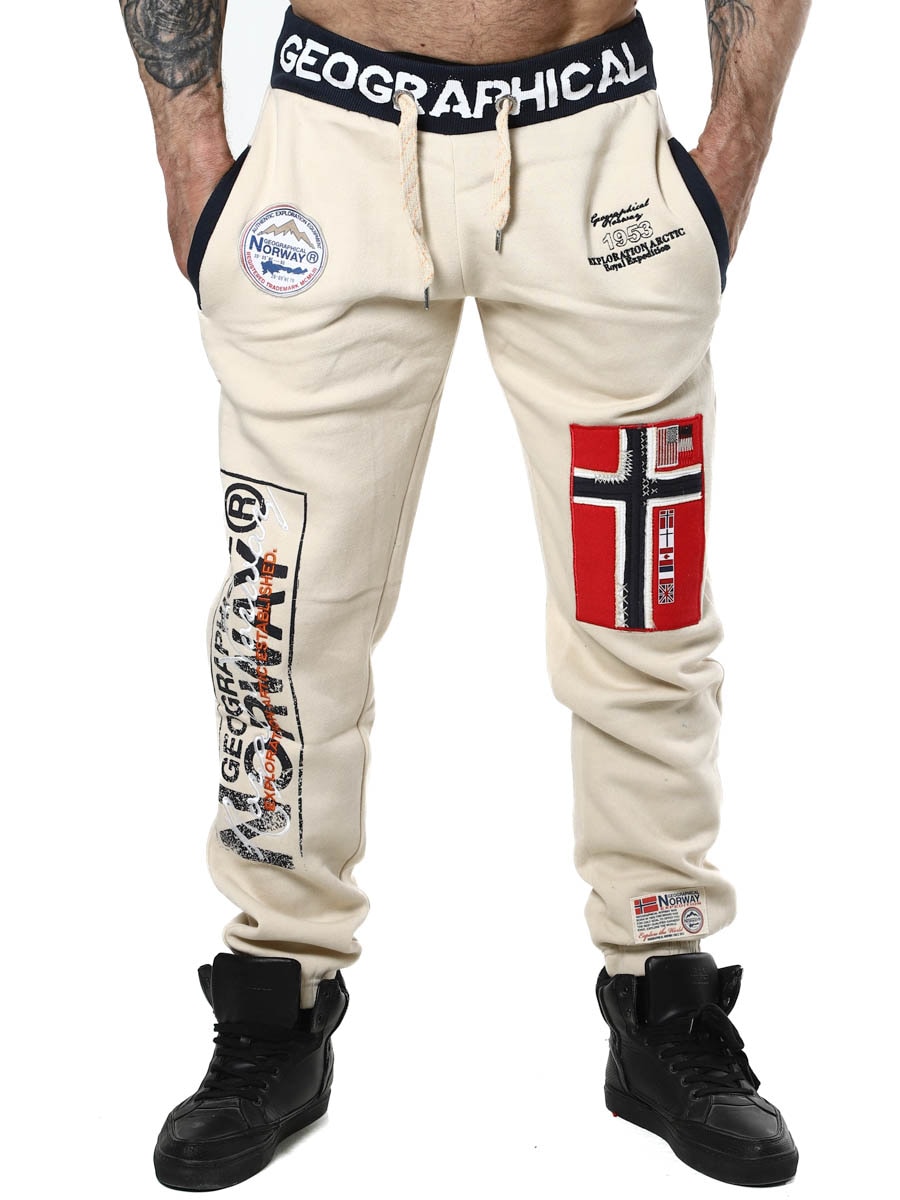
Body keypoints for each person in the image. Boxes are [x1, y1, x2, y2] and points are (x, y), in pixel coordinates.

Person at [120, 0, 811, 1190]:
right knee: (283, 619)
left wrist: (732, 151)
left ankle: (666, 992)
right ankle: (275, 996)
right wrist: (190, 150)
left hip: (596, 155)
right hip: (328, 156)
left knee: (641, 613)